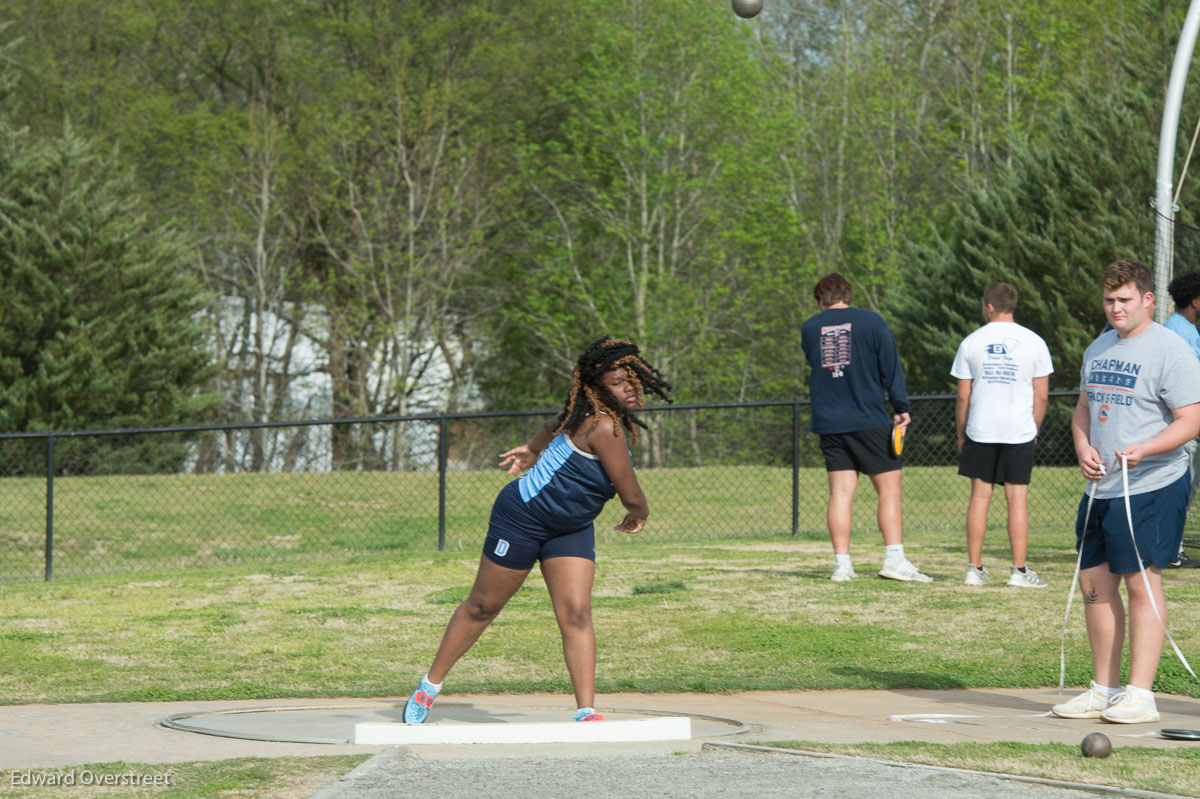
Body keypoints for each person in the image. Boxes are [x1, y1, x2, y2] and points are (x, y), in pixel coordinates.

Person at [403, 336, 673, 724]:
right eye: (618, 382)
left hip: (571, 528)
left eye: (632, 380)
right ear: (597, 387)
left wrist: (532, 450)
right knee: (483, 607)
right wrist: (640, 513)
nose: (629, 387)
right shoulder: (602, 425)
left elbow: (551, 425)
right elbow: (631, 494)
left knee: (576, 613)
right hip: (522, 518)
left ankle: (586, 710)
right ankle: (429, 687)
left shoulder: (590, 416)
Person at [1051, 259, 1200, 724]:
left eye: (1124, 300)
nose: (1115, 308)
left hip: (1153, 484)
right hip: (1102, 488)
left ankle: (1140, 694)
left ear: (1148, 300)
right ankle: (1104, 689)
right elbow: (1082, 408)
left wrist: (1146, 449)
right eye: (1109, 300)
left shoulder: (1171, 350)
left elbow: (1191, 420)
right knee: (1094, 584)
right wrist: (1081, 445)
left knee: (1141, 581)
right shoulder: (1098, 347)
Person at [800, 272, 931, 582]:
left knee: (841, 493)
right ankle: (894, 560)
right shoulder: (871, 321)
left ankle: (842, 565)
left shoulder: (809, 327)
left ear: (821, 299)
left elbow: (816, 362)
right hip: (869, 418)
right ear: (848, 295)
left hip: (830, 422)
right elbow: (891, 366)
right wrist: (901, 407)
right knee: (889, 489)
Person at [951, 283, 1053, 588]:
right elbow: (1042, 396)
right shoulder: (1034, 342)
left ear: (989, 306)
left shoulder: (971, 342)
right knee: (1017, 499)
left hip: (980, 430)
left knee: (979, 497)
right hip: (1018, 430)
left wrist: (961, 433)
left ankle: (974, 569)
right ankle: (1019, 572)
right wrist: (1033, 428)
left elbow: (963, 397)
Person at [1164, 270, 1200, 568]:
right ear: (1196, 301)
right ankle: (1171, 550)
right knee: (1181, 488)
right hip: (1183, 425)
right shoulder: (1181, 332)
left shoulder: (1179, 327)